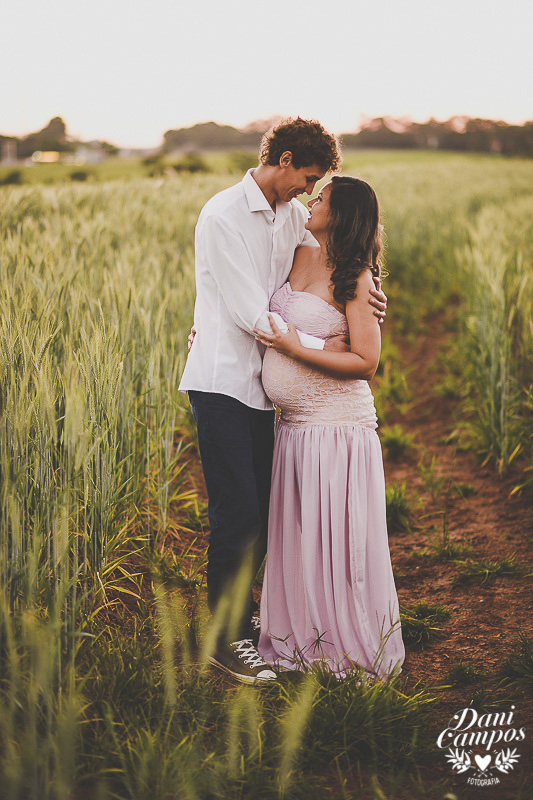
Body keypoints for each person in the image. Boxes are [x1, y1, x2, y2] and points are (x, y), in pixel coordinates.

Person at [179, 119, 388, 684]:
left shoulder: (294, 216)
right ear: (287, 159)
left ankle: (251, 625)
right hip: (223, 382)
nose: (310, 190)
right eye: (310, 178)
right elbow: (255, 312)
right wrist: (335, 337)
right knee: (238, 512)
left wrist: (365, 302)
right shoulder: (223, 215)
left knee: (264, 516)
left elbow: (337, 260)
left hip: (265, 396)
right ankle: (226, 640)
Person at [254, 175, 405, 680]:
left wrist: (299, 349)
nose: (310, 200)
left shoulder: (356, 277)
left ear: (340, 215)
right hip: (294, 428)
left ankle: (345, 645)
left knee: (336, 539)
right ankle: (302, 637)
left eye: (321, 198)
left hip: (336, 428)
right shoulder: (294, 250)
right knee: (301, 538)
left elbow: (366, 361)